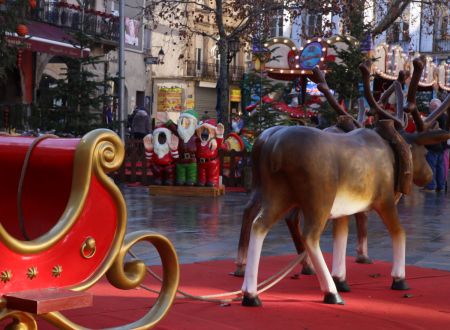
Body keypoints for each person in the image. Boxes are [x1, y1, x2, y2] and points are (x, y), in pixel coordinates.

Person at [422, 99, 448, 192]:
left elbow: (429, 127)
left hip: (433, 145)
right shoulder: (445, 116)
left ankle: (431, 185)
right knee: (440, 166)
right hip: (442, 145)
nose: (429, 108)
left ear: (435, 107)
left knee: (431, 166)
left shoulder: (436, 116)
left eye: (431, 106)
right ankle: (440, 185)